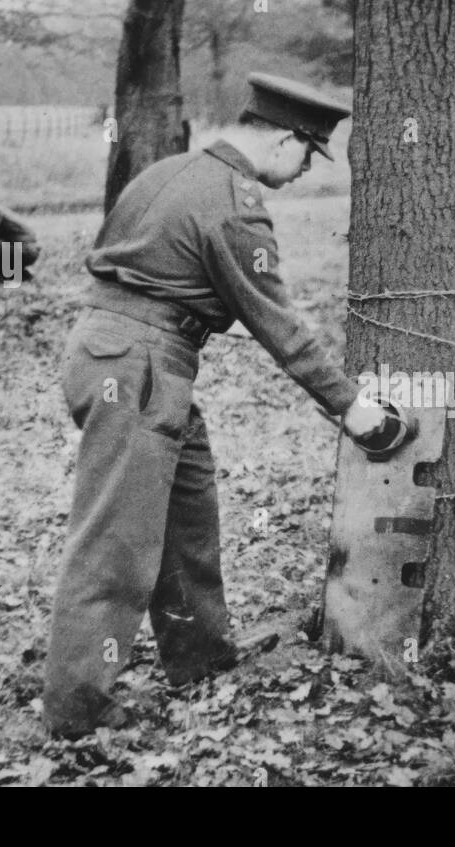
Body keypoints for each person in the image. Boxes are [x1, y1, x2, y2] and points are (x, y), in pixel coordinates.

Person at [42, 73, 388, 738]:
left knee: (187, 512)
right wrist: (352, 407)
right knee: (115, 543)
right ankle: (77, 708)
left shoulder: (170, 169)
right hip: (140, 366)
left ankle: (201, 660)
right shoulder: (235, 202)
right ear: (287, 137)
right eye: (310, 154)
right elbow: (278, 324)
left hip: (116, 354)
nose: (305, 169)